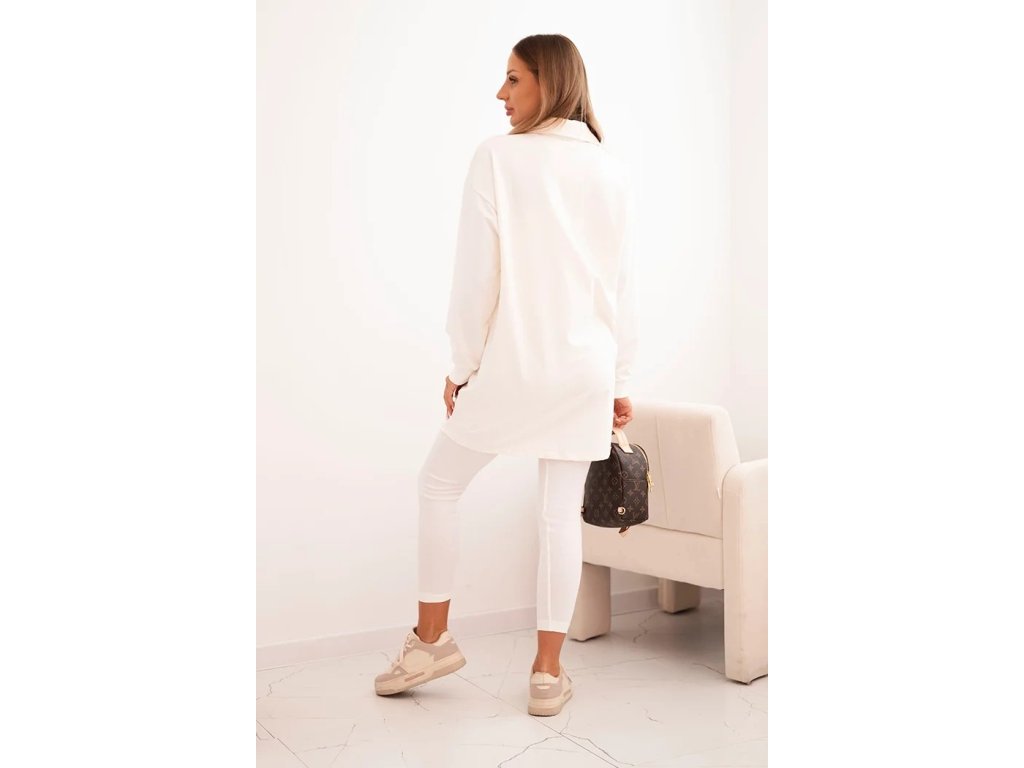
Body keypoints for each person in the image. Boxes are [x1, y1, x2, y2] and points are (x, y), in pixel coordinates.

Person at [375, 34, 639, 717]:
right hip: (583, 373)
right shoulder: (609, 168)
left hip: (515, 366)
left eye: (514, 79)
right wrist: (619, 381)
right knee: (558, 518)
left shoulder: (497, 157)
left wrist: (462, 367)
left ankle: (430, 641)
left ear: (549, 82)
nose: (501, 93)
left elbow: (476, 278)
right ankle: (547, 674)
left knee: (439, 483)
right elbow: (620, 289)